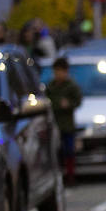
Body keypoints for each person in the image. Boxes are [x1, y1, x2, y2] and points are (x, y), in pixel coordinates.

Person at [45, 57, 83, 186]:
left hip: (67, 125)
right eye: (56, 72)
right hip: (55, 125)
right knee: (57, 152)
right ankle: (59, 176)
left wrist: (69, 104)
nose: (58, 74)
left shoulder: (71, 86)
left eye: (61, 71)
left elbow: (78, 101)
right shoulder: (50, 87)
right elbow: (46, 102)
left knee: (69, 151)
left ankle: (71, 175)